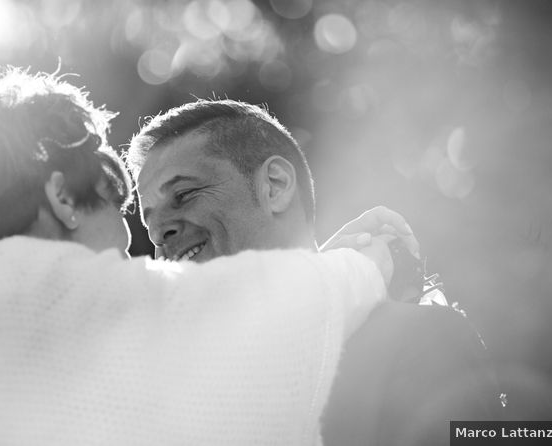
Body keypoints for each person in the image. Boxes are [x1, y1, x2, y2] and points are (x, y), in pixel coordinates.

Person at [0, 67, 393, 446]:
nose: (143, 243)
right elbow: (242, 317)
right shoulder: (37, 291)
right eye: (120, 200)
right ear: (63, 196)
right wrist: (368, 263)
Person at [127, 99, 505, 446]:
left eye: (184, 195)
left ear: (274, 186)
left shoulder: (419, 341)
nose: (160, 233)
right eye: (150, 223)